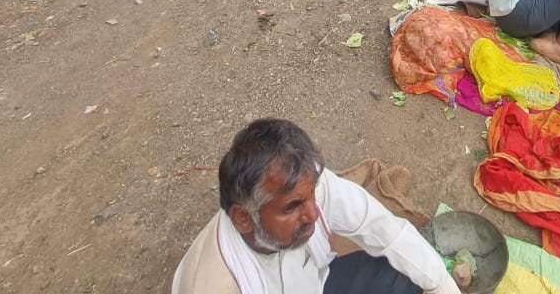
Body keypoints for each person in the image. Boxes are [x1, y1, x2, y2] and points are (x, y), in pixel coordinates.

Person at [171, 118, 460, 294]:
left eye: (311, 196)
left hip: (314, 286)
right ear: (244, 219)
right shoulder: (215, 285)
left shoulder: (307, 186)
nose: (312, 214)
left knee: (401, 275)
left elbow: (382, 228)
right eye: (292, 207)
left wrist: (442, 286)